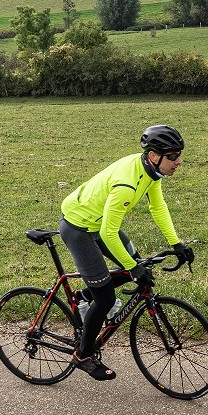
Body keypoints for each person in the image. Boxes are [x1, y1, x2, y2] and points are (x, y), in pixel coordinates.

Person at [59, 124, 195, 381]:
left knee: (137, 264)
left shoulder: (150, 172)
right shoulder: (128, 184)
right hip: (79, 227)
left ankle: (84, 296)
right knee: (108, 297)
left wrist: (177, 243)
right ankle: (83, 356)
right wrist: (133, 269)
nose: (179, 161)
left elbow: (158, 207)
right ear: (154, 156)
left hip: (99, 225)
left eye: (179, 154)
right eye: (174, 156)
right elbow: (110, 233)